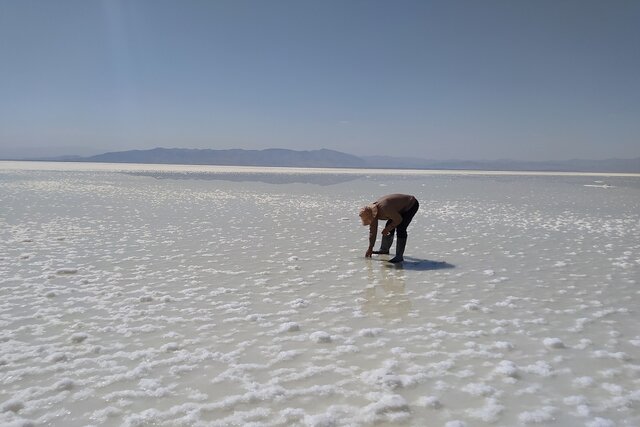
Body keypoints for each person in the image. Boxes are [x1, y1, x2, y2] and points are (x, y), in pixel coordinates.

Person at [359, 194, 419, 263]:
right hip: (397, 208)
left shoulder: (385, 209)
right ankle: (384, 250)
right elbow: (373, 230)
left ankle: (399, 256)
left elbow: (398, 219)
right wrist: (370, 247)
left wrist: (387, 229)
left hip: (411, 204)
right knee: (388, 225)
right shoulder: (372, 211)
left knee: (401, 228)